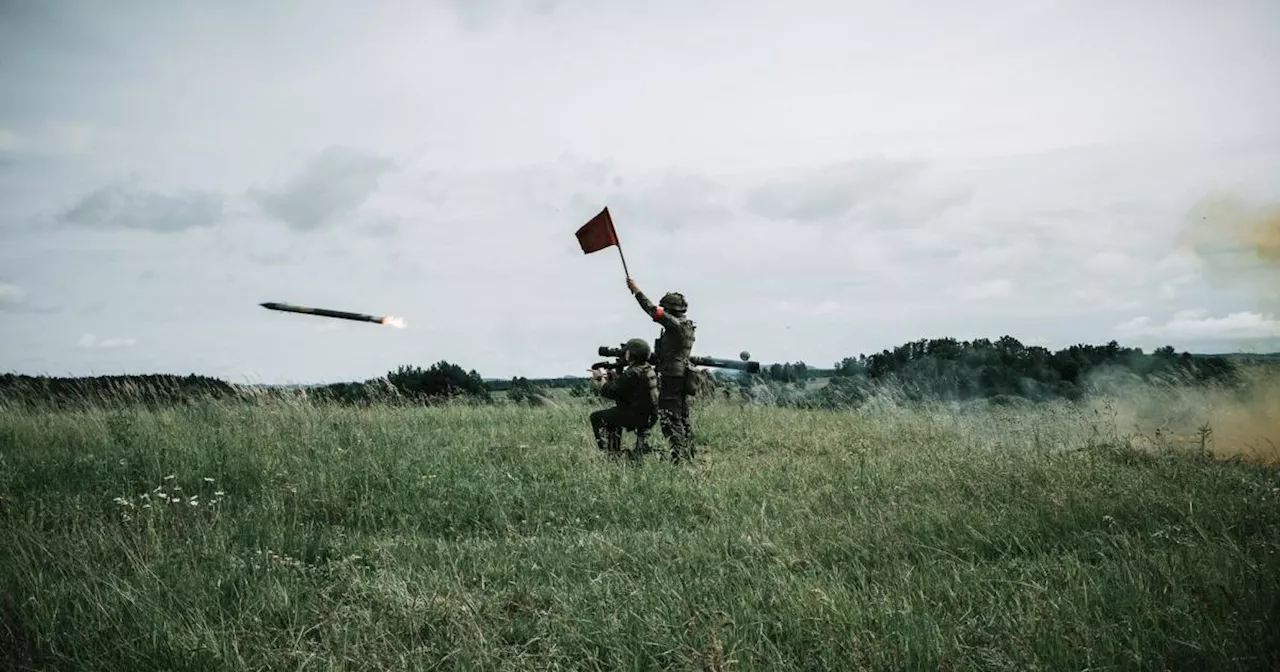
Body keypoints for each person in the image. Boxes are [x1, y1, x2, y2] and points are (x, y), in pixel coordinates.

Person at [626, 278, 697, 462]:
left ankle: (679, 457)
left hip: (672, 377)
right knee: (682, 416)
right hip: (681, 375)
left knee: (669, 417)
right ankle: (688, 453)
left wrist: (637, 291)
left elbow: (652, 310)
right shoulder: (686, 325)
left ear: (670, 309)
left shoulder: (675, 324)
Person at [589, 337, 659, 459]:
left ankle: (610, 454)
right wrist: (616, 378)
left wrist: (600, 379)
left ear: (631, 354)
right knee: (613, 416)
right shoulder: (646, 368)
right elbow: (627, 390)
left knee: (596, 417)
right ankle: (615, 452)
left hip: (637, 416)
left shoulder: (632, 373)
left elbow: (609, 392)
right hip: (649, 414)